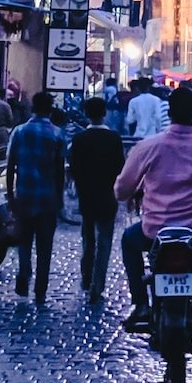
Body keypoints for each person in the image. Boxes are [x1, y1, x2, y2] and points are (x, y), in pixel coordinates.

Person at [115, 86, 192, 341]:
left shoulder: (147, 148)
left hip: (154, 230)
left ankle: (141, 303)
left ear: (168, 113)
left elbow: (122, 190)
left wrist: (138, 188)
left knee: (129, 240)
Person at [6, 90, 66, 304]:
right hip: (47, 198)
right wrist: (59, 199)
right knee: (45, 246)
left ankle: (24, 275)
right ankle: (41, 288)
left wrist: (10, 194)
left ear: (32, 108)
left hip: (24, 195)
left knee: (24, 241)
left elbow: (10, 165)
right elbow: (60, 171)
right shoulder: (57, 134)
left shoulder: (19, 132)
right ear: (50, 110)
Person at [68, 96, 126, 305]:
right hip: (107, 195)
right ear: (105, 114)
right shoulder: (114, 139)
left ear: (86, 114)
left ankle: (86, 278)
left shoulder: (79, 139)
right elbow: (121, 167)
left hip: (87, 195)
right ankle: (98, 283)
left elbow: (73, 168)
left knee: (88, 239)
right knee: (105, 241)